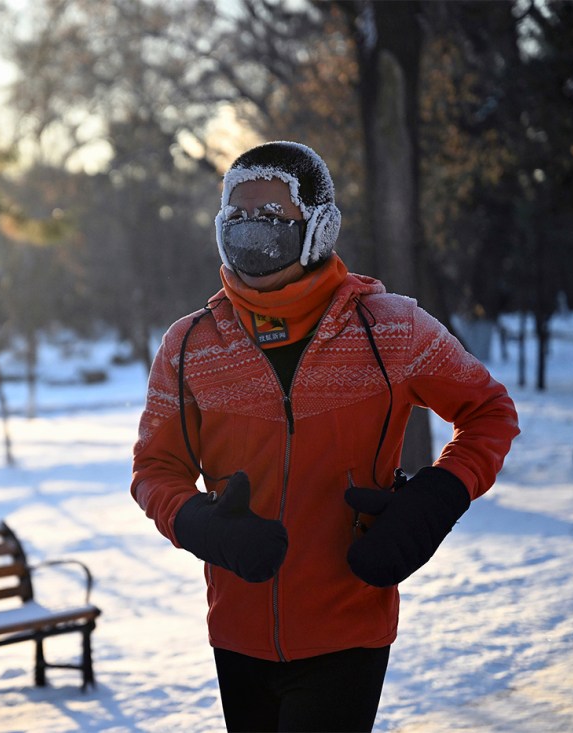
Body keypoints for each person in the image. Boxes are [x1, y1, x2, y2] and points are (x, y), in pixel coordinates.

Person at [130, 141, 519, 732]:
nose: (251, 231)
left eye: (271, 217)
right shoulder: (190, 347)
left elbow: (489, 411)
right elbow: (155, 470)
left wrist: (439, 496)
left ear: (319, 227)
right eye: (237, 217)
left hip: (349, 627)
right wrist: (194, 522)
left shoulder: (390, 329)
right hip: (237, 630)